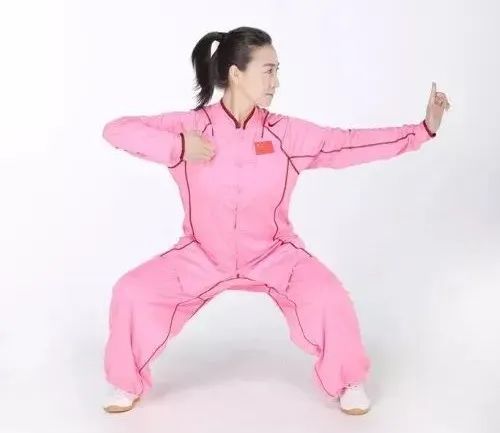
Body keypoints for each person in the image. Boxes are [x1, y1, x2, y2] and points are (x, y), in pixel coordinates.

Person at [100, 26, 450, 416]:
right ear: (236, 74)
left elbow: (348, 142)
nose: (276, 82)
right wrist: (178, 146)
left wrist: (423, 130)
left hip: (273, 254)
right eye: (268, 71)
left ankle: (349, 381)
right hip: (201, 254)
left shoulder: (286, 134)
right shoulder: (192, 127)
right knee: (131, 291)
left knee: (330, 298)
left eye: (277, 71)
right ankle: (125, 383)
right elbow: (116, 130)